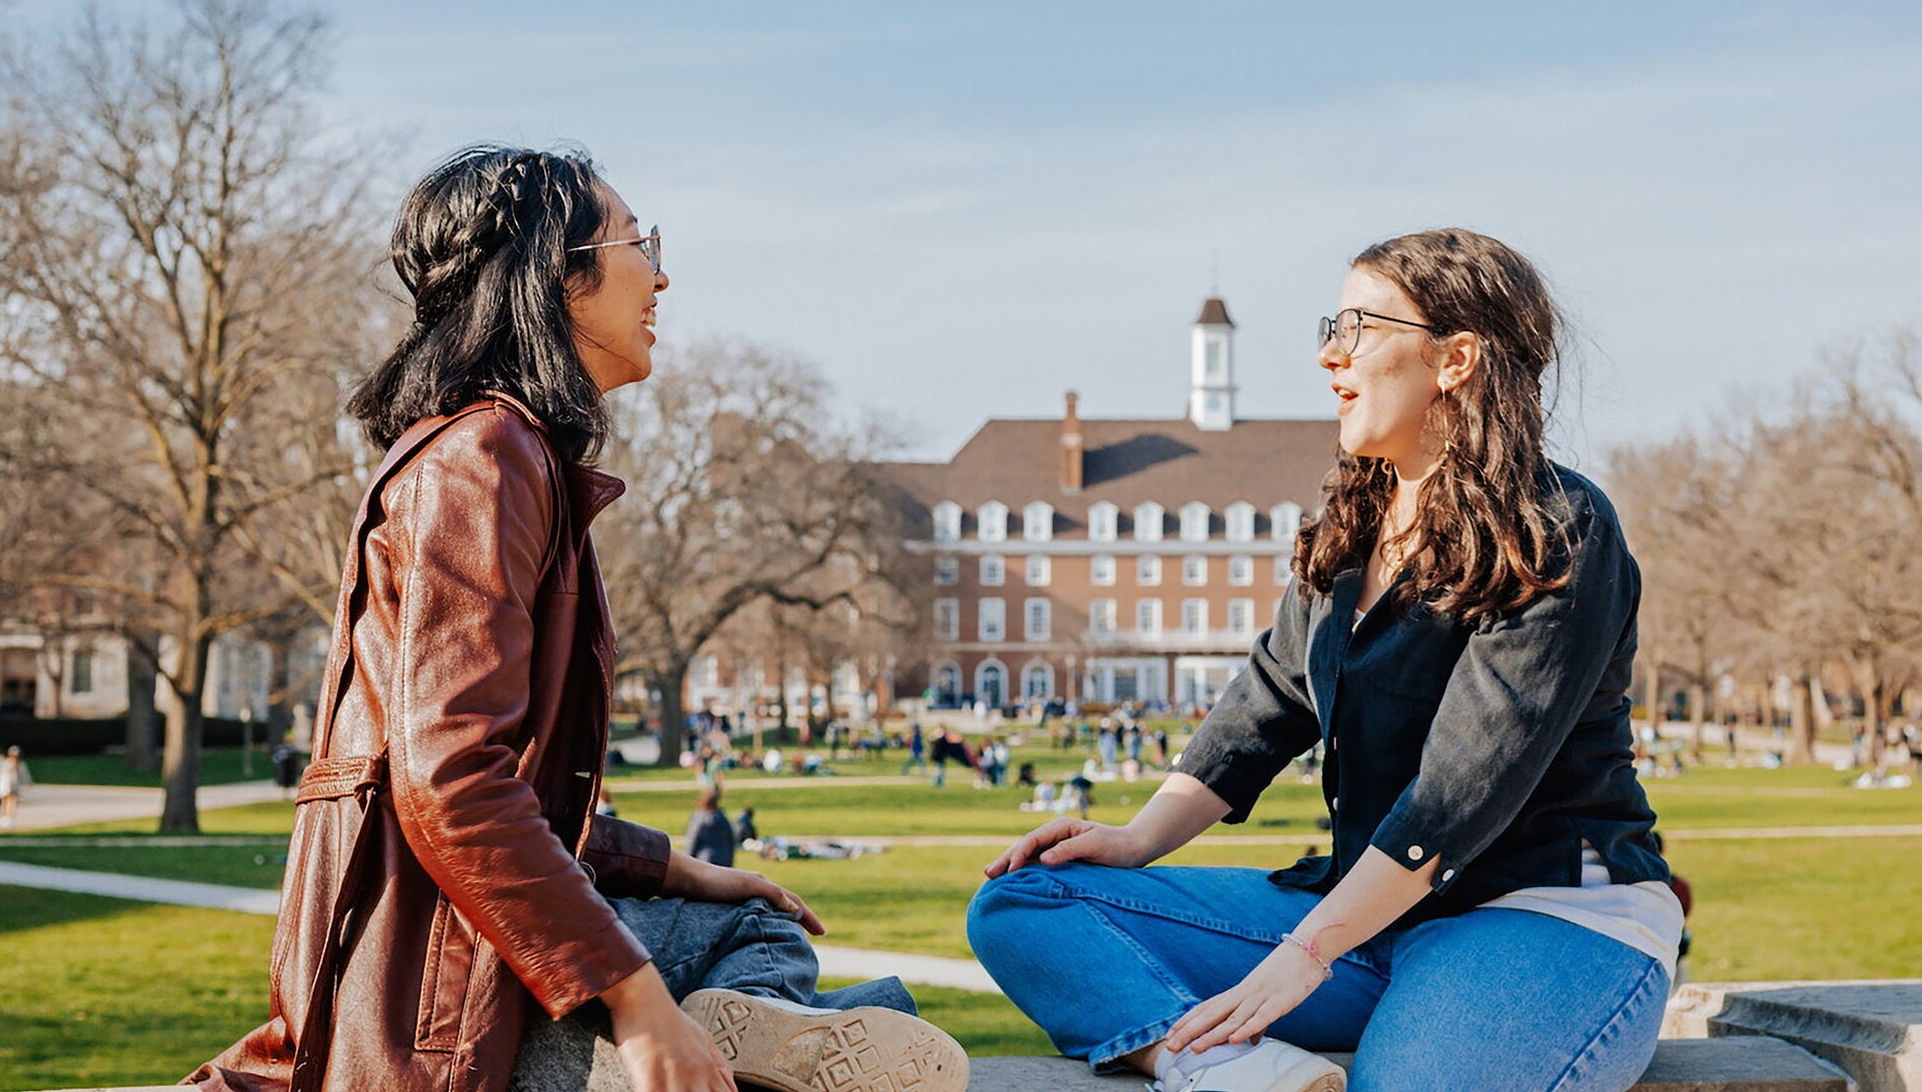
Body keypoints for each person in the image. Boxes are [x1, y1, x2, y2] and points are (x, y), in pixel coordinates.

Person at [190, 146, 964, 1092]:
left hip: (463, 955)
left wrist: (673, 868)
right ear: (558, 274)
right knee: (863, 1004)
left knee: (758, 920)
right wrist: (635, 998)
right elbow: (452, 784)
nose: (661, 275)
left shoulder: (510, 457)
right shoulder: (481, 459)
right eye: (639, 242)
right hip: (439, 1004)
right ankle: (621, 1049)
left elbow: (514, 792)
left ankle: (689, 1042)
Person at [969, 229, 1680, 1092]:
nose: (1327, 356)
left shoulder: (1557, 528)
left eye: (1358, 329)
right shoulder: (1353, 526)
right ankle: (1213, 1067)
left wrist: (1305, 951)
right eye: (1329, 328)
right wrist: (1134, 839)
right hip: (1365, 917)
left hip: (1544, 917)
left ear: (1454, 358)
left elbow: (1460, 791)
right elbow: (1267, 701)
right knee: (1028, 900)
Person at [686, 785, 737, 867]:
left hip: (704, 860)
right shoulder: (723, 818)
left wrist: (687, 860)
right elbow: (731, 839)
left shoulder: (699, 819)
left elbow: (693, 839)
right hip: (724, 859)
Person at [0, 746, 29, 830]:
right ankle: (4, 818)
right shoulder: (5, 763)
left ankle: (10, 818)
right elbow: (1, 775)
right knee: (5, 801)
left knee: (12, 801)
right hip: (5, 786)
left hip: (14, 786)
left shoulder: (20, 764)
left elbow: (24, 776)